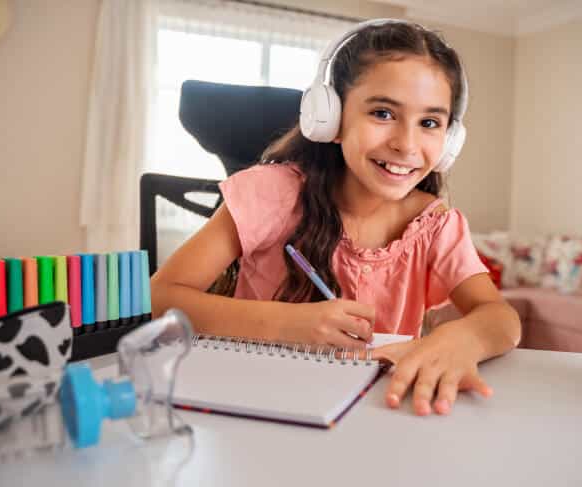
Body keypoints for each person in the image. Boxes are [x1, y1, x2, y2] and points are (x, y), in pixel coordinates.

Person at [151, 19, 521, 417]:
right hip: (256, 400)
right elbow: (160, 298)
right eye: (382, 113)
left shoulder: (436, 227)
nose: (406, 144)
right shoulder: (272, 194)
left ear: (449, 139)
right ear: (331, 117)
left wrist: (460, 339)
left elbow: (501, 318)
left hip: (374, 412)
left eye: (429, 123)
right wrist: (288, 325)